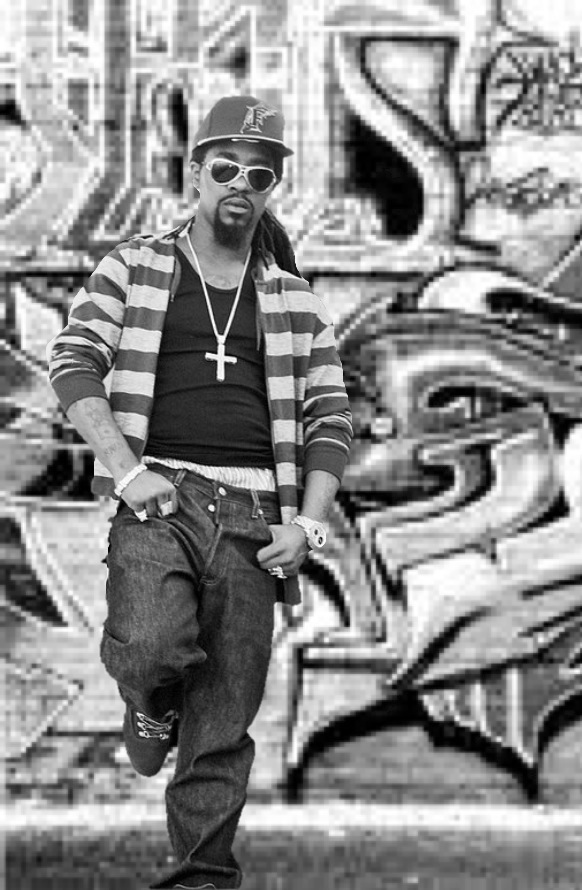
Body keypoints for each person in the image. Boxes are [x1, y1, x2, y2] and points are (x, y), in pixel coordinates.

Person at [47, 95, 351, 890]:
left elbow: (329, 419)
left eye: (259, 174)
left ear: (273, 185)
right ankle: (150, 701)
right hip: (161, 498)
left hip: (257, 517)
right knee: (152, 643)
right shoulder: (136, 266)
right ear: (195, 174)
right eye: (225, 169)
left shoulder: (292, 300)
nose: (240, 185)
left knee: (222, 720)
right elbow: (73, 363)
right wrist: (127, 469)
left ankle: (202, 877)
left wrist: (309, 528)